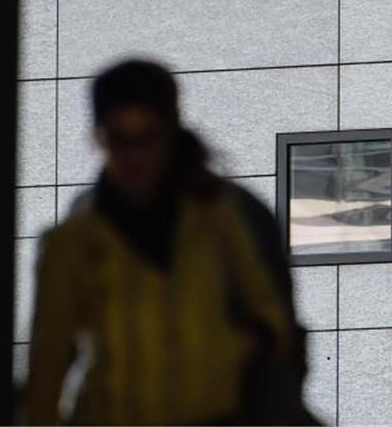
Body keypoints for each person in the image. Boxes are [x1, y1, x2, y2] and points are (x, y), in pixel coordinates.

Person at [21, 60, 314, 425]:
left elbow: (273, 326)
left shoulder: (225, 219)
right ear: (101, 138)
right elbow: (47, 367)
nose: (133, 156)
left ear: (170, 135)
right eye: (119, 138)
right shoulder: (73, 241)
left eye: (147, 137)